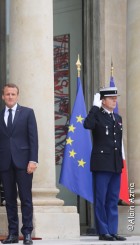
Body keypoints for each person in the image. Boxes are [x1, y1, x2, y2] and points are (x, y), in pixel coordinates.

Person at [0, 83, 38, 245]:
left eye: (13, 94)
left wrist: (33, 160)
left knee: (26, 199)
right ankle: (12, 234)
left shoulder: (27, 113)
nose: (10, 97)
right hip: (5, 164)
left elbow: (33, 139)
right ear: (3, 96)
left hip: (24, 163)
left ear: (17, 96)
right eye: (7, 94)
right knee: (9, 200)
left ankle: (27, 233)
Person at [83, 87, 126, 241]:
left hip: (115, 163)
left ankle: (112, 230)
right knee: (101, 198)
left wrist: (120, 162)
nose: (115, 100)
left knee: (113, 198)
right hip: (101, 164)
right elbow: (87, 125)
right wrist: (94, 107)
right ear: (103, 100)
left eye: (115, 98)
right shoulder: (97, 116)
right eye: (111, 98)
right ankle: (103, 231)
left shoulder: (117, 118)